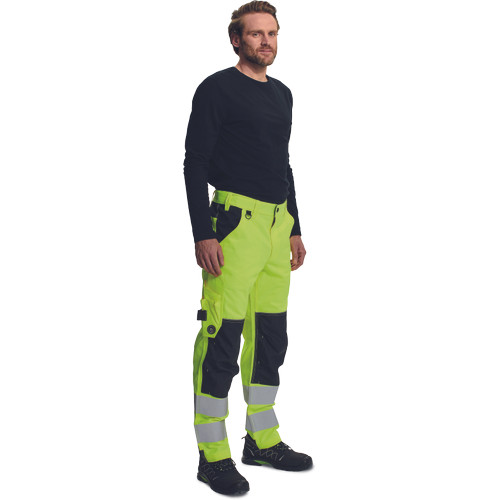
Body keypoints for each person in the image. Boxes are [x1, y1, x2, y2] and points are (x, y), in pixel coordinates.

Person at [183, 1, 312, 495]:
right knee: (222, 335)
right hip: (235, 226)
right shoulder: (216, 89)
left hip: (278, 225)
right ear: (236, 39)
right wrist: (203, 233)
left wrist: (295, 226)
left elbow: (283, 162)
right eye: (256, 34)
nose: (266, 41)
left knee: (270, 336)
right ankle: (212, 456)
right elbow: (195, 162)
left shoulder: (283, 94)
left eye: (272, 33)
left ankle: (262, 440)